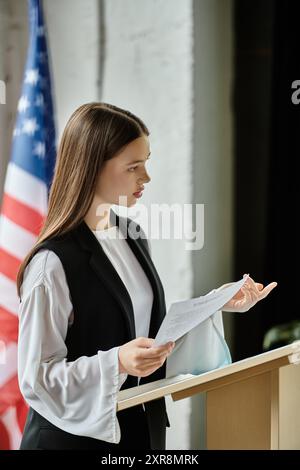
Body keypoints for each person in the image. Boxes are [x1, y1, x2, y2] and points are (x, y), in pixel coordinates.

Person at [17, 102, 277, 450]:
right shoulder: (51, 263)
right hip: (73, 442)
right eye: (134, 167)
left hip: (142, 432)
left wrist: (217, 301)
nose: (146, 177)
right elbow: (37, 377)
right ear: (93, 168)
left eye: (147, 162)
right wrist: (117, 362)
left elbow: (148, 338)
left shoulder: (131, 234)